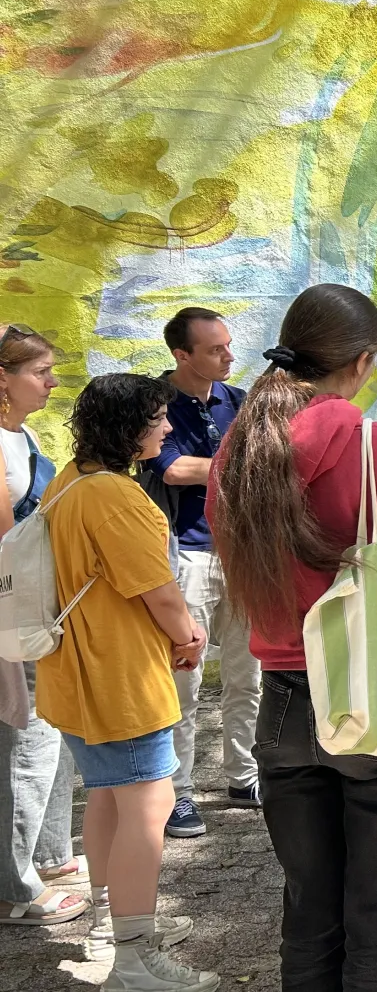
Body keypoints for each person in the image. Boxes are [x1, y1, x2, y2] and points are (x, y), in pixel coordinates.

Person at [207, 284, 377, 992]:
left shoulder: (239, 455)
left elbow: (238, 572)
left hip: (283, 702)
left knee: (308, 913)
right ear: (360, 362)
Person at [36, 373, 217, 991]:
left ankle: (109, 929)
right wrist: (190, 637)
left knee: (109, 796)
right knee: (149, 804)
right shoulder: (116, 495)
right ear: (127, 428)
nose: (167, 428)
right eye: (158, 418)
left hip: (77, 672)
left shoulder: (69, 480)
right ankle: (136, 956)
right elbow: (159, 592)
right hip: (122, 676)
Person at [139, 307, 262, 838]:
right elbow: (171, 468)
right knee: (182, 684)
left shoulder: (238, 402)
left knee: (248, 677)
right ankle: (180, 793)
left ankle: (244, 775)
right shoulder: (152, 405)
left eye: (228, 345)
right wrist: (245, 465)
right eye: (216, 349)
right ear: (181, 354)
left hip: (244, 556)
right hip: (185, 554)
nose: (229, 356)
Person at [1, 323, 87, 930]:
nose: (52, 381)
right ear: (2, 379)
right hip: (14, 617)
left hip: (39, 614)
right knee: (25, 745)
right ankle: (14, 888)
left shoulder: (21, 434)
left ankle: (51, 856)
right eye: (40, 371)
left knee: (50, 729)